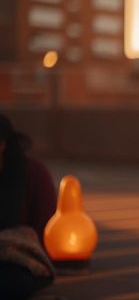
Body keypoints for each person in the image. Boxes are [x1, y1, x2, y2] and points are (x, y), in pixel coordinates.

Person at [0, 113, 57, 299]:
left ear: (3, 144)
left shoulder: (32, 173)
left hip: (15, 255)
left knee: (16, 282)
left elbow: (45, 231)